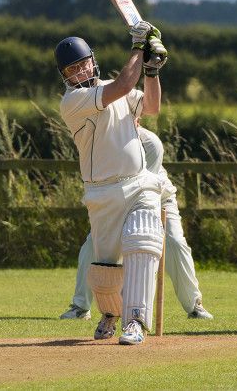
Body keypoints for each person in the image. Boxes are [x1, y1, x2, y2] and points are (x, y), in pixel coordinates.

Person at [54, 21, 169, 345]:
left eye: (83, 63)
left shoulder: (111, 86)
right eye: (72, 68)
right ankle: (111, 311)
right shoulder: (74, 100)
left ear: (93, 60)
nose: (79, 71)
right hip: (101, 192)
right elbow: (120, 87)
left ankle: (135, 321)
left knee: (143, 240)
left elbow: (151, 106)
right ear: (64, 75)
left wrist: (152, 71)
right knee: (105, 271)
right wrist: (137, 45)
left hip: (138, 183)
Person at [60, 124, 213, 321]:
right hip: (117, 200)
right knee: (92, 245)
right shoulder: (101, 141)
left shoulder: (150, 143)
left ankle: (194, 306)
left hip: (158, 199)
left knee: (174, 243)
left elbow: (143, 186)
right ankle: (80, 307)